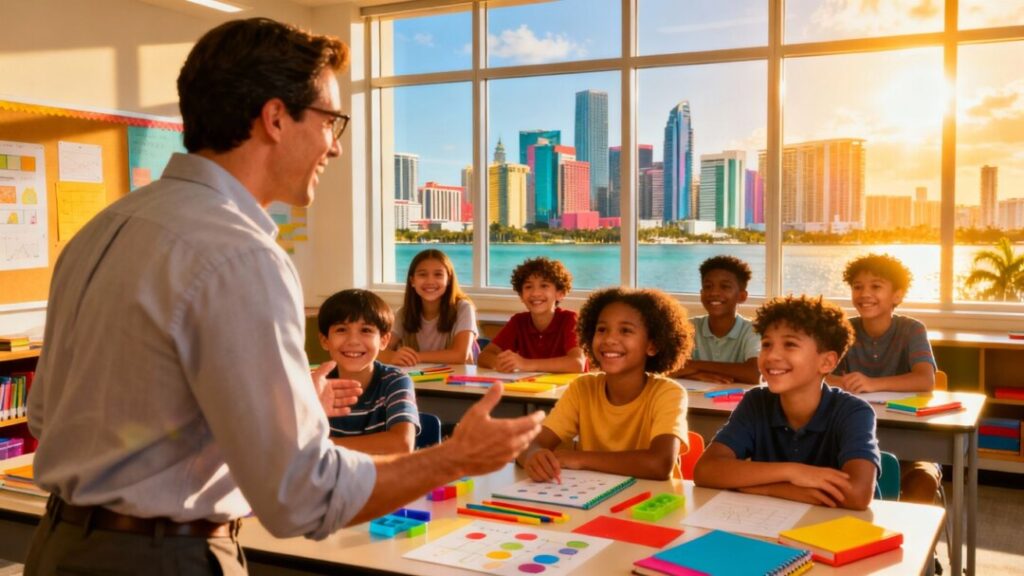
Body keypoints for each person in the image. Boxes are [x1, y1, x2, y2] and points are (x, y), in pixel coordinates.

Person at [25, 18, 542, 576]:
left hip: (62, 547)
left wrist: (271, 418)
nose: (336, 147)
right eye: (330, 121)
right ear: (275, 118)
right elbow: (303, 497)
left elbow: (50, 415)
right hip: (161, 558)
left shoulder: (103, 229)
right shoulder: (240, 253)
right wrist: (454, 459)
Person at [694, 295, 878, 511]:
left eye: (790, 344)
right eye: (766, 344)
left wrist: (753, 485)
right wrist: (793, 473)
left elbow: (857, 494)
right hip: (771, 525)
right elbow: (705, 471)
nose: (771, 355)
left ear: (826, 362)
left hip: (832, 533)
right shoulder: (756, 402)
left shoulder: (853, 412)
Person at [517, 287, 693, 481]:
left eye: (625, 331)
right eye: (602, 329)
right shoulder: (583, 388)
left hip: (653, 503)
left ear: (653, 345)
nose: (609, 339)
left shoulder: (668, 393)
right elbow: (530, 443)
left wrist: (581, 459)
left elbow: (659, 464)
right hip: (593, 499)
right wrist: (533, 456)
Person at [828, 253, 940, 503]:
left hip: (912, 441)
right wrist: (839, 381)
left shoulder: (912, 329)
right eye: (858, 287)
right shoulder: (844, 330)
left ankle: (911, 541)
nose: (864, 294)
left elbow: (925, 379)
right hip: (851, 439)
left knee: (923, 479)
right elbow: (819, 374)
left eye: (876, 286)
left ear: (897, 295)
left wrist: (871, 383)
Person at [316, 289, 418, 454]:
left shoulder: (395, 381)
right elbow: (289, 445)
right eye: (341, 329)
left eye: (366, 330)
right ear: (325, 340)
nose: (354, 341)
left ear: (384, 340)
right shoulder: (315, 384)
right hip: (331, 479)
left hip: (382, 478)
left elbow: (402, 444)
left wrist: (322, 446)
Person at [478, 257, 586, 373]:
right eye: (528, 287)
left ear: (560, 293)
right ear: (521, 295)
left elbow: (577, 363)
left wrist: (526, 364)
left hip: (569, 390)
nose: (535, 293)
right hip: (532, 389)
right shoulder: (519, 322)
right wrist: (500, 363)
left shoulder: (570, 319)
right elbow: (484, 356)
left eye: (544, 285)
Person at [379, 249, 478, 367]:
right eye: (422, 274)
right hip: (418, 381)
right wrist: (392, 356)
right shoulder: (403, 313)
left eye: (438, 274)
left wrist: (415, 357)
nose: (430, 281)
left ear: (449, 279)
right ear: (412, 281)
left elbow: (460, 355)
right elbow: (378, 350)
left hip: (455, 382)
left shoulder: (464, 308)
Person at [673, 255, 761, 384]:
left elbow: (754, 374)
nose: (714, 292)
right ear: (701, 292)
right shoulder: (688, 327)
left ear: (742, 296)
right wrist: (695, 375)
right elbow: (665, 368)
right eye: (708, 286)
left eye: (725, 287)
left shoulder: (753, 330)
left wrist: (693, 366)